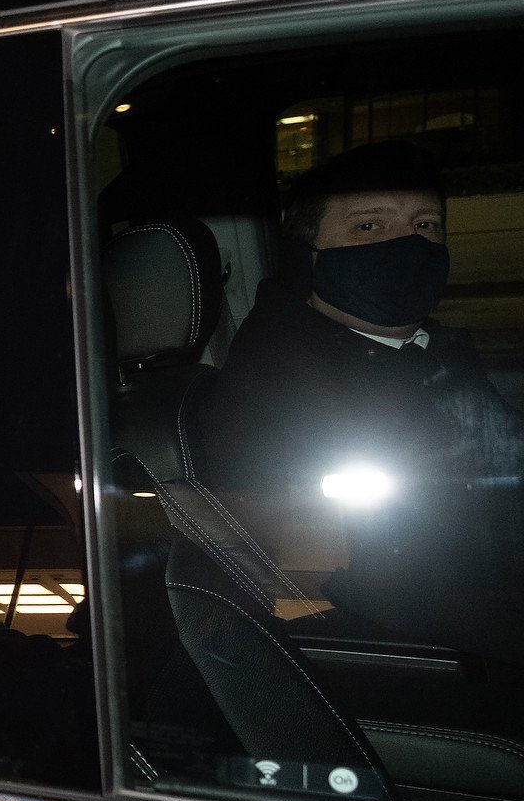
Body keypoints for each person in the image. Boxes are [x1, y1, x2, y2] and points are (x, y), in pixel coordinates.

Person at [196, 139, 524, 658]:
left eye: (425, 226)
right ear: (309, 254)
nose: (408, 243)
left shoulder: (428, 353)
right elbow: (372, 584)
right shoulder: (276, 390)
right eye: (369, 226)